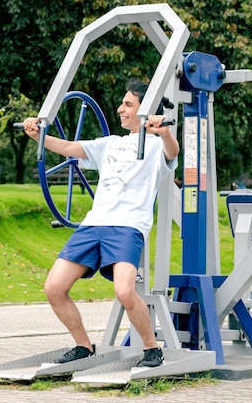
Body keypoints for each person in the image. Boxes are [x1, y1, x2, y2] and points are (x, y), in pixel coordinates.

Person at [22, 79, 179, 368]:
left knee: (124, 291)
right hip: (93, 225)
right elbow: (69, 147)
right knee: (54, 287)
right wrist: (38, 137)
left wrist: (165, 131)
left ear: (144, 110)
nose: (120, 109)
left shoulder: (157, 146)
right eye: (122, 103)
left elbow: (174, 152)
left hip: (127, 226)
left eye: (128, 104)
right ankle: (83, 346)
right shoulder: (110, 144)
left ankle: (151, 349)